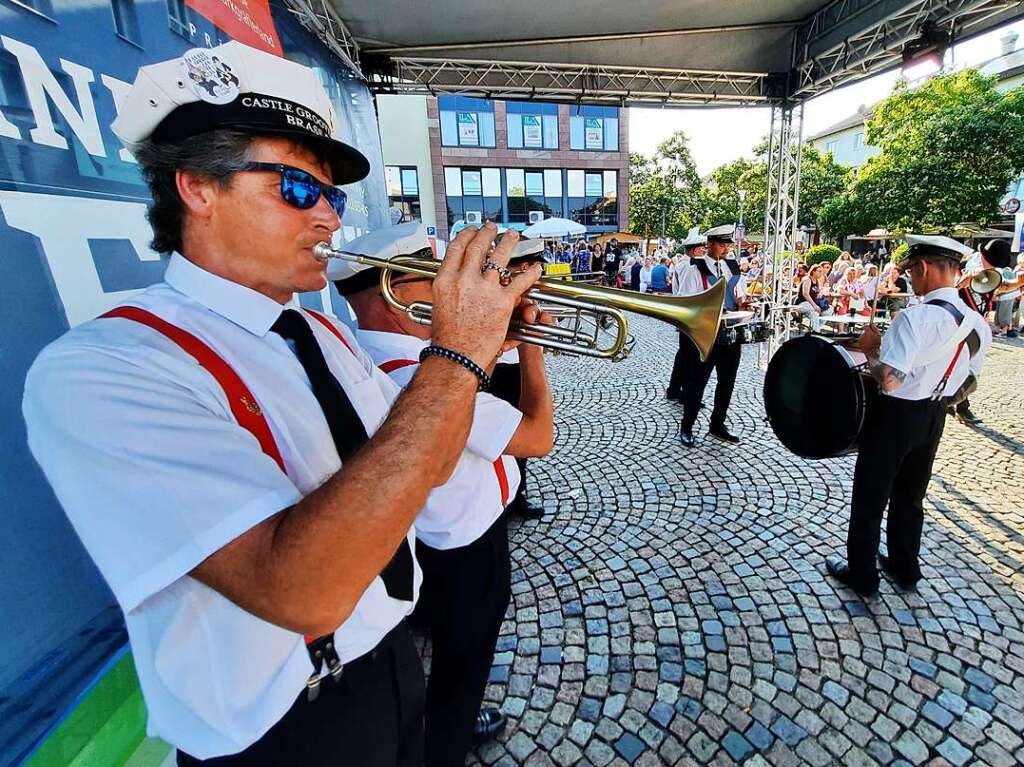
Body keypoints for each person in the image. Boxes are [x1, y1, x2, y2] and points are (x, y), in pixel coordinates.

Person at [21, 41, 542, 766]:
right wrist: (455, 357)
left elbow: (422, 458)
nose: (328, 219)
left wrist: (490, 349)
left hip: (391, 661)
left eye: (332, 196)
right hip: (280, 732)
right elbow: (302, 588)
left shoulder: (321, 326)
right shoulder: (101, 369)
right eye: (299, 190)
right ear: (198, 186)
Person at [332, 225, 554, 767]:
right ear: (397, 290)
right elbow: (538, 436)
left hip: (427, 543)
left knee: (444, 658)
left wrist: (494, 338)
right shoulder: (422, 377)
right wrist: (534, 351)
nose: (446, 288)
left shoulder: (359, 352)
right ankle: (447, 744)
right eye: (433, 277)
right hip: (467, 550)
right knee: (464, 666)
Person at [826, 235, 990, 596]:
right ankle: (905, 565)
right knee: (911, 495)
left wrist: (871, 350)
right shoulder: (977, 324)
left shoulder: (914, 318)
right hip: (934, 416)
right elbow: (971, 381)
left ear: (925, 267)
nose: (909, 279)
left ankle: (863, 575)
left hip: (896, 417)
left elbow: (889, 382)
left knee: (871, 496)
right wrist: (938, 397)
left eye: (911, 271)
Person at [674, 225, 745, 446]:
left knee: (727, 382)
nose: (726, 249)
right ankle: (687, 426)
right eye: (722, 244)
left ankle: (718, 424)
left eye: (728, 244)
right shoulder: (695, 269)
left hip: (730, 332)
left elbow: (738, 296)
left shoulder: (732, 268)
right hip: (704, 336)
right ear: (710, 245)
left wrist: (744, 301)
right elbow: (684, 302)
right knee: (697, 382)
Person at [794, 263, 831, 332]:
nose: (821, 273)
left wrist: (821, 293)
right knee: (814, 312)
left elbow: (816, 294)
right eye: (819, 271)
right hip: (802, 303)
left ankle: (816, 329)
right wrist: (814, 305)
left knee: (829, 309)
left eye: (821, 272)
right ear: (813, 271)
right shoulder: (807, 279)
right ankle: (817, 332)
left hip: (811, 303)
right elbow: (805, 294)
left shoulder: (816, 281)